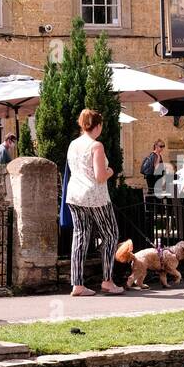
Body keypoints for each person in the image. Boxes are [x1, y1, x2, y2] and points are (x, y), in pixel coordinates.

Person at [66, 109, 123, 296]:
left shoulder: (73, 144)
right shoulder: (96, 146)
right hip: (95, 196)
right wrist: (111, 171)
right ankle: (107, 281)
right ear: (97, 126)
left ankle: (77, 284)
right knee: (111, 235)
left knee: (80, 237)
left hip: (75, 195)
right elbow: (100, 177)